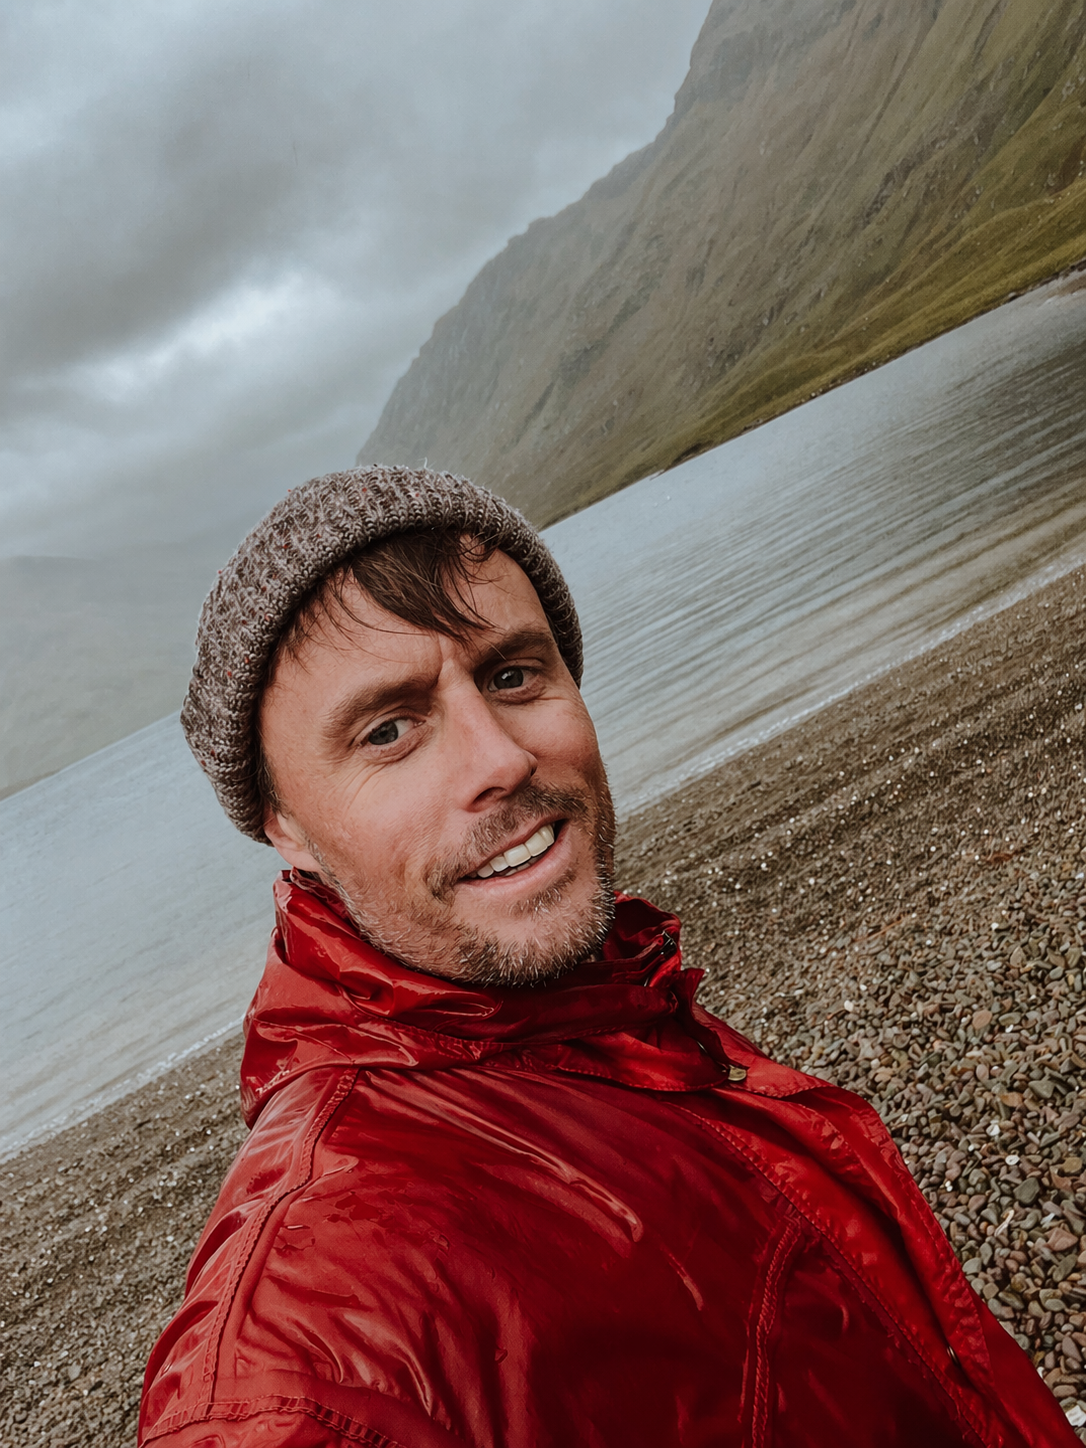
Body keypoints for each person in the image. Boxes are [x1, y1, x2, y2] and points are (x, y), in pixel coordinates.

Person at [139, 466, 1073, 1447]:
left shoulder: (614, 1009)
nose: (499, 758)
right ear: (285, 824)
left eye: (511, 674)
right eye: (389, 730)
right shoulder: (301, 1330)